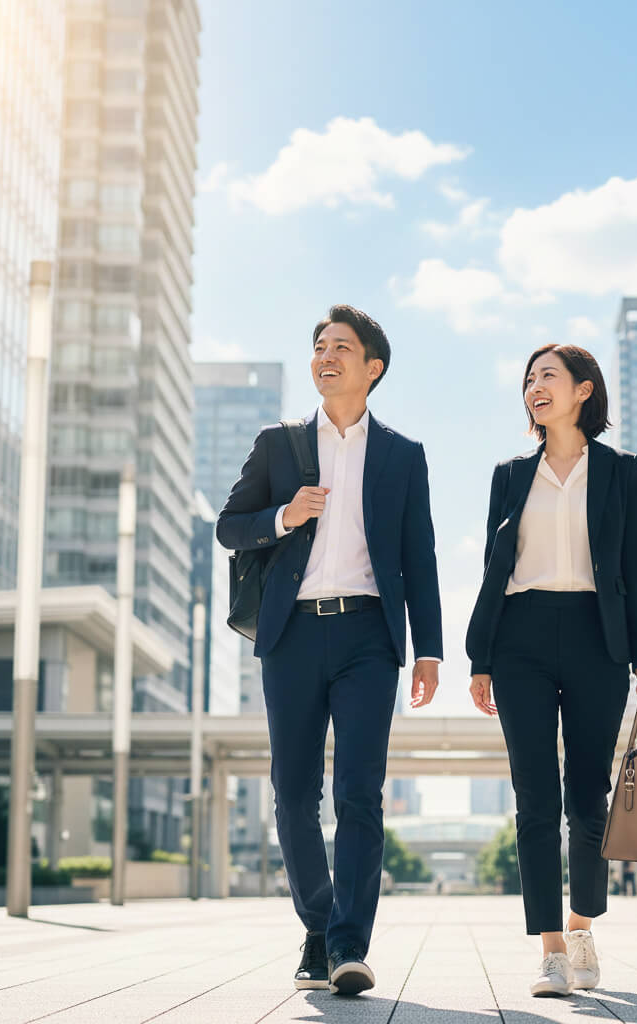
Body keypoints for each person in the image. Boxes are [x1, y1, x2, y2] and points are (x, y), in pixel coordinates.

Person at [217, 305, 443, 996]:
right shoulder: (278, 444)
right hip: (291, 634)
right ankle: (317, 926)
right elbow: (229, 527)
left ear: (372, 368)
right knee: (292, 793)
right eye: (318, 346)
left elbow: (419, 555)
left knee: (359, 793)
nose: (325, 355)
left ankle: (349, 942)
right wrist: (287, 516)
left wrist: (429, 649)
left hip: (368, 636)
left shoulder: (403, 455)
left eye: (340, 346)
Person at [466, 343, 637, 997]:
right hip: (519, 636)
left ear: (583, 389)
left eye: (547, 376)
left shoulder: (622, 470)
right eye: (527, 379)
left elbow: (634, 568)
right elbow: (496, 568)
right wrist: (480, 657)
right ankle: (550, 949)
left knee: (588, 798)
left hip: (594, 637)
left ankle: (581, 926)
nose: (533, 387)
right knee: (535, 800)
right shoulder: (510, 473)